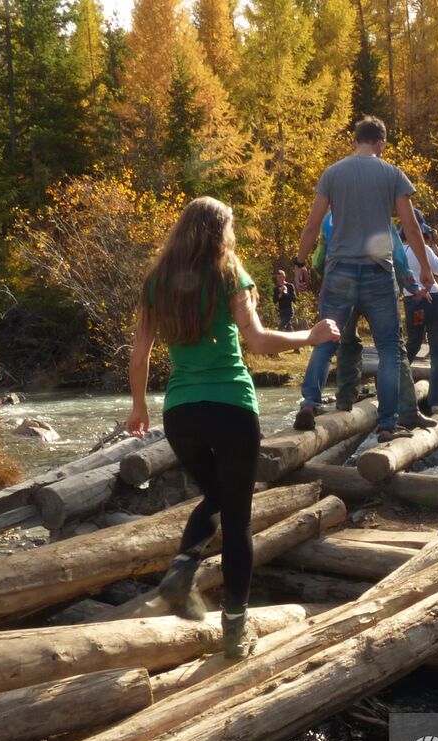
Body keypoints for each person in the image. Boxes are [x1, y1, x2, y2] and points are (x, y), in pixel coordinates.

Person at [125, 197, 339, 659]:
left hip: (181, 414)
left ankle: (184, 567)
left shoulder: (157, 282)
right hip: (232, 408)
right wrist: (311, 335)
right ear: (221, 233)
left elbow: (139, 355)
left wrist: (139, 407)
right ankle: (235, 631)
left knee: (218, 497)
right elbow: (258, 342)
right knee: (236, 517)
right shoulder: (229, 273)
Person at [292, 116, 436, 443]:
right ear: (381, 143)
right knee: (388, 349)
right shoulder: (392, 175)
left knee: (325, 339)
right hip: (378, 273)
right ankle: (387, 423)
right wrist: (424, 268)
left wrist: (300, 262)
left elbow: (313, 225)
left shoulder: (333, 173)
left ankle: (311, 403)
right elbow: (411, 228)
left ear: (354, 141)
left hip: (340, 270)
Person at [294, 212, 428, 431]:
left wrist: (319, 272)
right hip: (377, 282)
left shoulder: (329, 217)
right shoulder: (378, 210)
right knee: (392, 349)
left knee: (336, 342)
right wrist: (411, 285)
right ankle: (404, 413)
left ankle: (331, 403)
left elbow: (319, 257)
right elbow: (397, 255)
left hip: (339, 284)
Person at [400, 219, 438, 412]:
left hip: (413, 303)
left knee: (413, 343)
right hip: (434, 301)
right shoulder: (425, 249)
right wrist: (435, 244)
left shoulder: (399, 252)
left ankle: (396, 381)